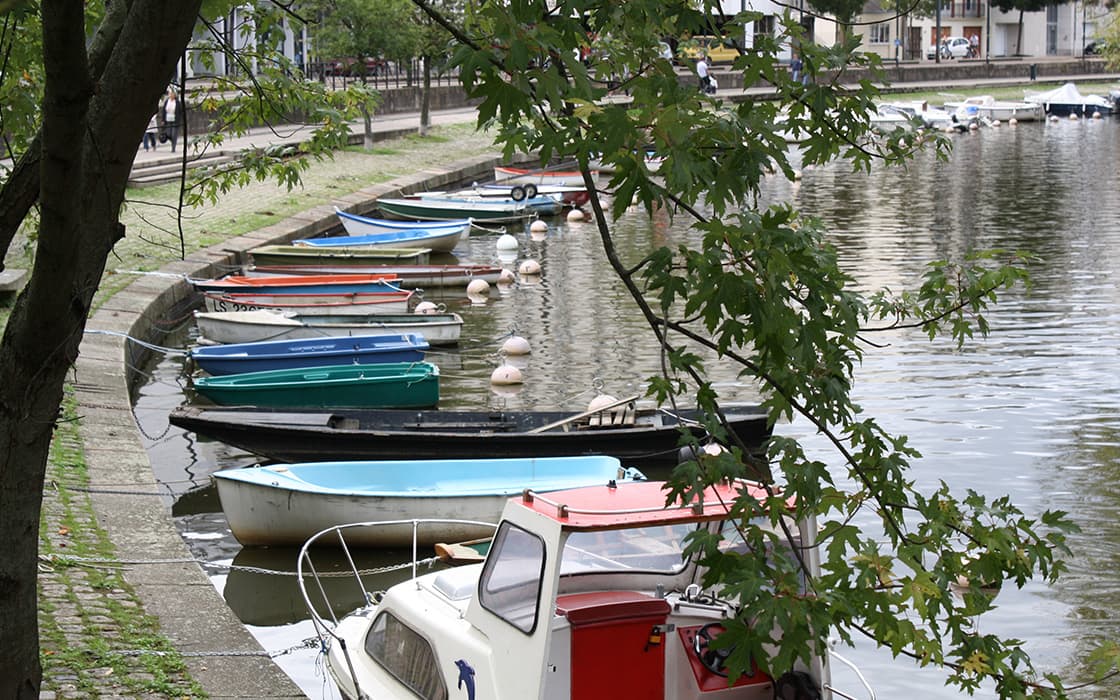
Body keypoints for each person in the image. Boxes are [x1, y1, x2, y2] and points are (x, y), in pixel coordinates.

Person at [161, 88, 180, 152]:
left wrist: (179, 120)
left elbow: (180, 112)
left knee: (174, 134)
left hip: (175, 120)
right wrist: (163, 120)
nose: (171, 95)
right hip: (168, 119)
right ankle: (173, 141)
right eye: (170, 94)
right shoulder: (167, 101)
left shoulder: (177, 102)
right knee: (168, 134)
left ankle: (173, 147)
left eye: (172, 94)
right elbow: (164, 111)